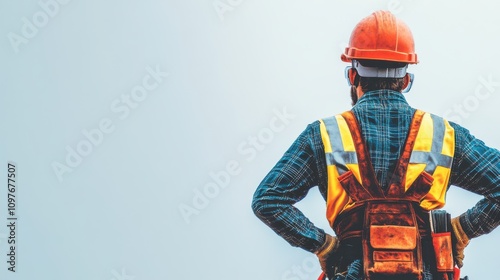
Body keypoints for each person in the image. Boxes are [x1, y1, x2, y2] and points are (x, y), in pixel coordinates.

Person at [251, 10, 500, 280]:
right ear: (405, 81)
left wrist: (325, 246)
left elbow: (268, 200)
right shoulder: (445, 135)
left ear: (353, 76)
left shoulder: (322, 135)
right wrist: (462, 229)